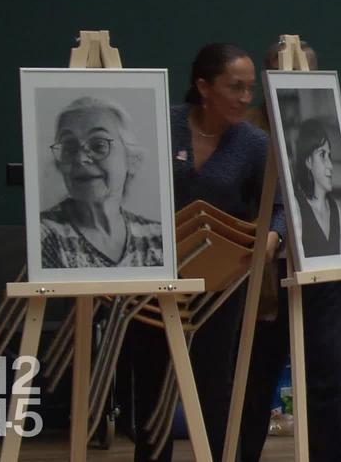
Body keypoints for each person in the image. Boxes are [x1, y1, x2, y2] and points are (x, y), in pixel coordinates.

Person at [125, 42, 286, 462]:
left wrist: (273, 237)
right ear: (203, 86)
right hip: (156, 274)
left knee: (214, 381)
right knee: (152, 379)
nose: (245, 98)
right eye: (235, 87)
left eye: (250, 88)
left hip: (222, 280)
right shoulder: (161, 126)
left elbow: (282, 207)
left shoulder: (253, 143)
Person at [240, 41, 341, 462]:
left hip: (322, 268)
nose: (293, 80)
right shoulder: (250, 128)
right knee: (255, 378)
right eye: (281, 71)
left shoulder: (334, 123)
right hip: (264, 273)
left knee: (330, 375)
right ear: (265, 76)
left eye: (305, 71)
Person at [40, 96, 163, 268]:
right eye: (69, 147)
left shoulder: (158, 237)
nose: (81, 159)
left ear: (132, 160)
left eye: (98, 146)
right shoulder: (44, 234)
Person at [293, 118, 341, 257]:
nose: (330, 165)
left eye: (329, 155)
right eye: (322, 155)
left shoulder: (336, 210)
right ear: (308, 161)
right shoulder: (296, 208)